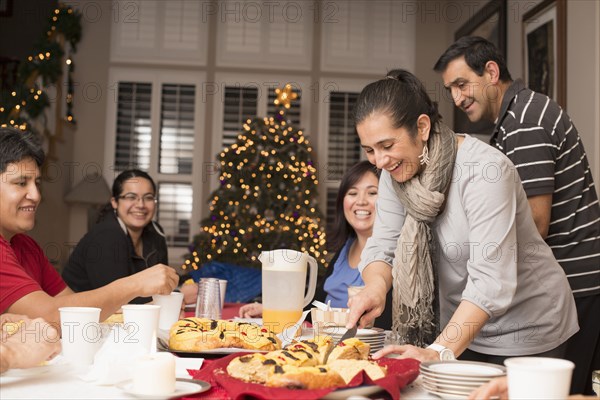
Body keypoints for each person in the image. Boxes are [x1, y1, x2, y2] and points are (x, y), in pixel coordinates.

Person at [345, 69, 578, 366]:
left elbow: (489, 280)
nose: (379, 161)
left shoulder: (485, 172)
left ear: (423, 127)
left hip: (527, 330)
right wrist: (376, 288)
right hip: (458, 327)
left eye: (387, 146)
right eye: (369, 150)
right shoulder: (394, 174)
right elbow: (384, 245)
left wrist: (439, 351)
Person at [434, 36, 600, 394]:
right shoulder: (516, 116)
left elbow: (536, 223)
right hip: (574, 277)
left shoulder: (524, 121)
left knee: (561, 393)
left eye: (462, 84)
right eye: (450, 89)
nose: (457, 98)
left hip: (574, 279)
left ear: (491, 72)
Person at [0, 127, 178, 328]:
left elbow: (73, 309)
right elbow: (52, 317)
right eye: (21, 183)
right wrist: (136, 284)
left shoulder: (27, 245)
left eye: (37, 183)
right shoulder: (108, 235)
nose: (35, 195)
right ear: (114, 202)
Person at [239, 161, 393, 329]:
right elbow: (317, 307)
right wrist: (272, 310)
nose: (361, 201)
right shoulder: (345, 248)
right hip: (325, 341)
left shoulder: (394, 256)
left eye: (372, 193)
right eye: (352, 193)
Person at [62, 169, 168, 304]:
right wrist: (173, 296)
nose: (141, 205)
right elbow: (116, 301)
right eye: (131, 197)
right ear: (115, 202)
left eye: (148, 197)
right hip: (82, 319)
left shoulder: (156, 232)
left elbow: (162, 282)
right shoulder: (106, 236)